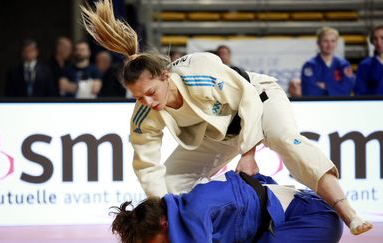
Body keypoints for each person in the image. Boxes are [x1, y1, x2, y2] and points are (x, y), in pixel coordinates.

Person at [81, 0, 372, 235]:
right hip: (218, 132)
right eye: (138, 97)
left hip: (260, 100)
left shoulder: (200, 71)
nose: (146, 102)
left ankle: (349, 212)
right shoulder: (145, 112)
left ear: (165, 76)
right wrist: (159, 210)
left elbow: (246, 99)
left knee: (286, 139)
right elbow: (146, 164)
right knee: (171, 180)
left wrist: (249, 151)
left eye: (151, 92)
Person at [110, 170, 344, 243]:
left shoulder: (196, 210)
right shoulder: (190, 210)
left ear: (163, 224)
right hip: (295, 217)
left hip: (314, 217)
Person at [301, 27, 355, 97]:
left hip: (340, 105)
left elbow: (346, 89)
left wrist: (325, 86)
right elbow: (309, 91)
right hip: (317, 106)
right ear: (318, 43)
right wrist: (335, 86)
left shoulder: (344, 65)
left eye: (333, 41)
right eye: (325, 41)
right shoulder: (310, 65)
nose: (329, 45)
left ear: (336, 43)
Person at [354, 25, 383, 95]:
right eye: (375, 39)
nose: (379, 42)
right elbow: (359, 92)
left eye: (382, 38)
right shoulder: (365, 65)